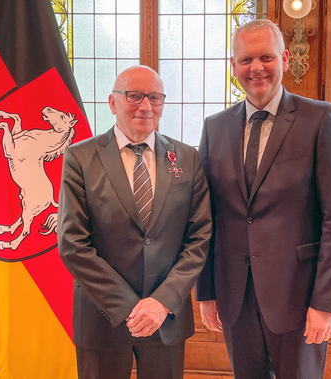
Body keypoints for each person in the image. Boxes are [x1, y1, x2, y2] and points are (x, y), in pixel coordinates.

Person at [195, 19, 331, 379]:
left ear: (284, 58)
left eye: (266, 57)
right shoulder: (215, 128)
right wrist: (205, 291)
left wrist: (326, 303)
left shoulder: (320, 119)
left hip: (298, 298)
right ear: (233, 66)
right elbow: (205, 217)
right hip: (234, 296)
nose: (256, 68)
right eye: (246, 59)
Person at [58, 65, 212, 379]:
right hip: (102, 319)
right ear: (113, 103)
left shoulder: (186, 158)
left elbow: (199, 238)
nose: (145, 106)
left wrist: (161, 302)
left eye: (154, 97)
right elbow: (73, 244)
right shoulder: (80, 158)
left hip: (165, 319)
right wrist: (131, 307)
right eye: (134, 96)